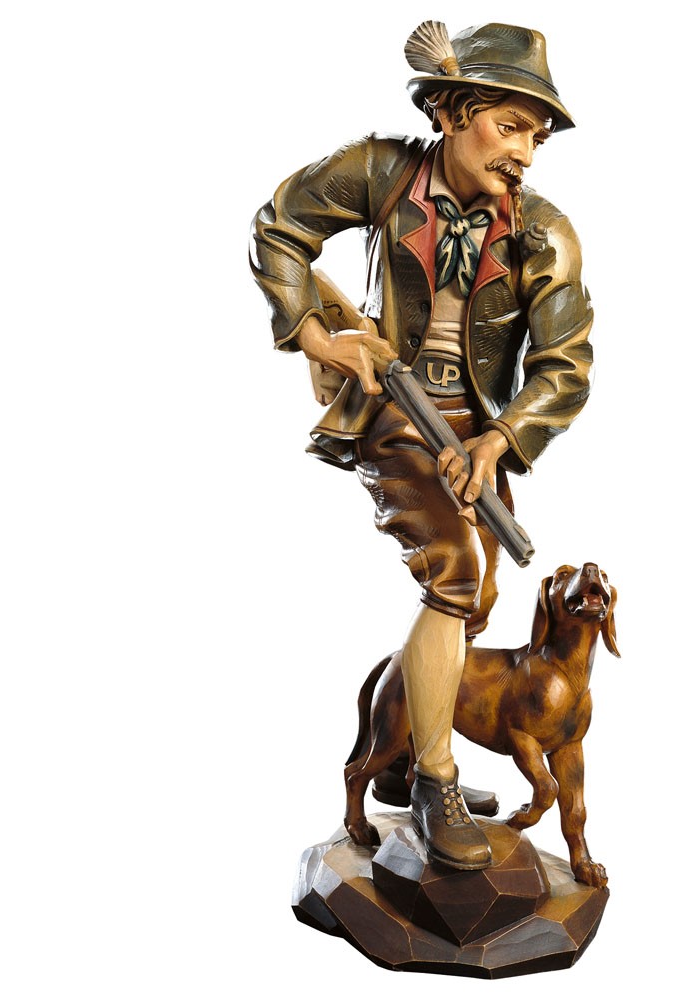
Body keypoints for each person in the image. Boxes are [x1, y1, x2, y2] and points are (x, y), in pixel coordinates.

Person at [250, 22, 593, 870]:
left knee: (476, 602)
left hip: (474, 433)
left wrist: (501, 439)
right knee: (456, 576)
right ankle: (437, 782)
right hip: (390, 412)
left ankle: (402, 752)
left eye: (536, 137)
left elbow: (566, 363)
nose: (525, 153)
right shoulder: (379, 171)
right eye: (509, 127)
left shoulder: (544, 233)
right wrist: (319, 340)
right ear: (450, 111)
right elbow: (281, 227)